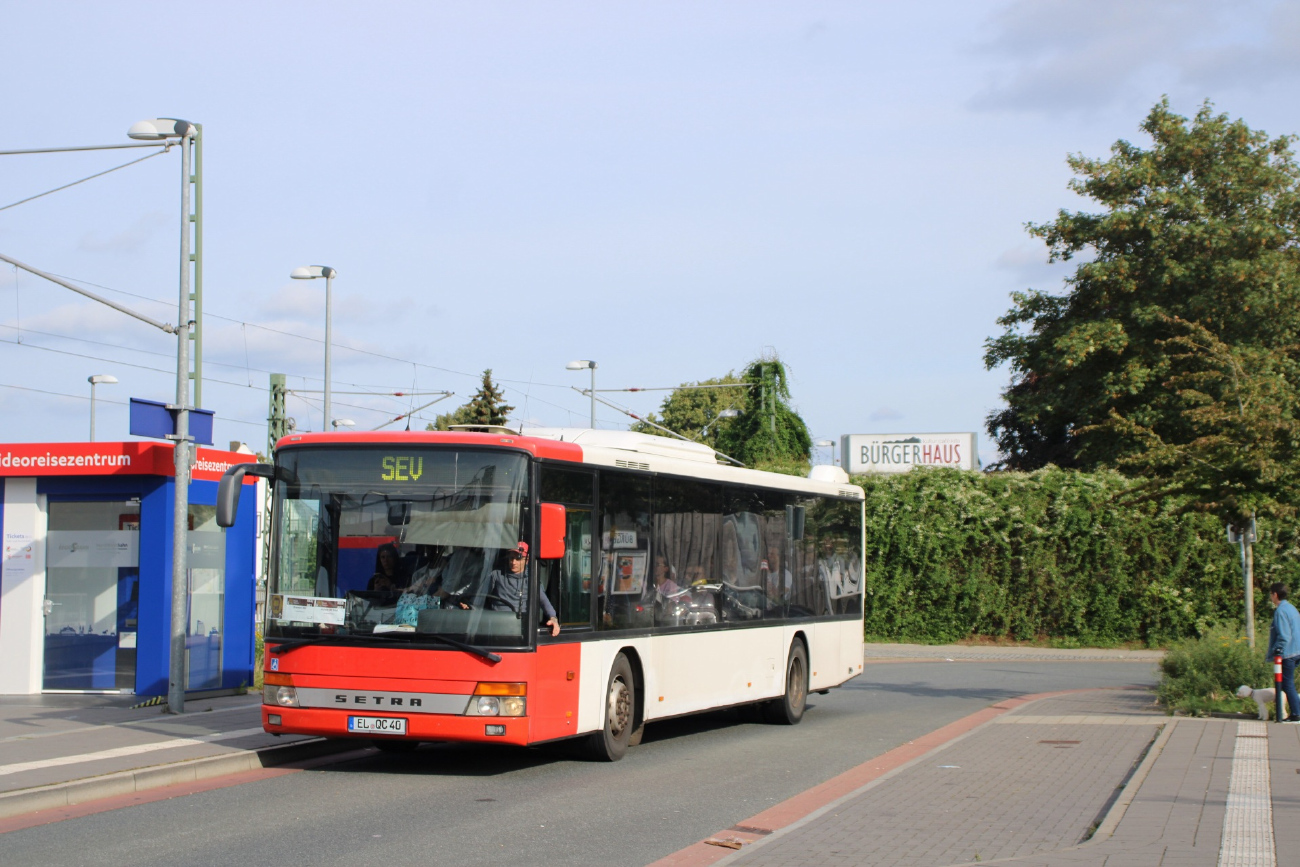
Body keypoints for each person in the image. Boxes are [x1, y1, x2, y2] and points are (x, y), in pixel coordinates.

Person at [476, 542, 560, 636]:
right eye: (511, 558)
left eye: (518, 558)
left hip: (521, 630)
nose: (513, 562)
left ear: (526, 560)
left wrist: (553, 618)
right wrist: (471, 604)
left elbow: (544, 603)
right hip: (495, 627)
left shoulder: (532, 580)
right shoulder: (496, 575)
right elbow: (480, 597)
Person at [1268, 582, 1300, 723]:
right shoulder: (1291, 608)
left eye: (1270, 594)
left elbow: (1284, 635)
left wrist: (1277, 649)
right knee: (1287, 683)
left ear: (1275, 594)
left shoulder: (1280, 611)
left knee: (1286, 683)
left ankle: (1296, 713)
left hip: (1288, 652)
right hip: (1297, 649)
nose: (1270, 597)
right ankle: (1294, 712)